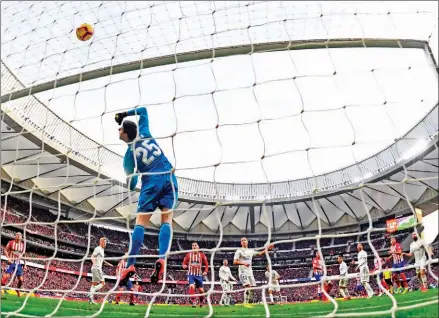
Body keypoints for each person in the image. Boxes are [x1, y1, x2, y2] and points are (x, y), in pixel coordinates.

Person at [115, 106, 178, 285]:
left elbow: (132, 184)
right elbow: (143, 110)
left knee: (141, 222)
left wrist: (131, 180)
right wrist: (124, 115)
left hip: (151, 183)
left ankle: (130, 265)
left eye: (120, 129)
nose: (118, 130)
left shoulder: (129, 156)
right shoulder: (145, 131)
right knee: (167, 220)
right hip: (169, 177)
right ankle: (162, 259)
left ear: (126, 134)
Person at [233, 237, 273, 307]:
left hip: (250, 271)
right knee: (248, 287)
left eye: (244, 240)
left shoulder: (250, 251)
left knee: (253, 287)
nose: (243, 241)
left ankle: (249, 302)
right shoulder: (239, 251)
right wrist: (243, 263)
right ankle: (245, 303)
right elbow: (235, 262)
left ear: (247, 242)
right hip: (243, 271)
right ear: (241, 243)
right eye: (242, 240)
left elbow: (260, 253)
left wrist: (267, 249)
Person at [182, 242, 209, 307]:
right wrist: (184, 266)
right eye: (193, 245)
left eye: (195, 245)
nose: (194, 246)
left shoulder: (202, 255)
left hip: (199, 275)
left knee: (201, 291)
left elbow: (206, 265)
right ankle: (194, 302)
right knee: (192, 286)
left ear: (198, 247)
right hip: (191, 274)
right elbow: (184, 263)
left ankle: (201, 303)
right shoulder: (189, 254)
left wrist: (205, 271)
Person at [89, 237, 114, 304]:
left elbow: (102, 260)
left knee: (94, 284)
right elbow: (92, 256)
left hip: (97, 268)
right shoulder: (97, 249)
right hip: (97, 268)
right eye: (104, 242)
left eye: (106, 243)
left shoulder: (102, 250)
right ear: (101, 242)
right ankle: (91, 293)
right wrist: (94, 263)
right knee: (103, 283)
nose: (105, 244)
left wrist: (109, 264)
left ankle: (91, 299)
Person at [1, 232, 26, 297]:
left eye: (20, 235)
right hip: (11, 262)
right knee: (6, 276)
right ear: (15, 236)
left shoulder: (22, 245)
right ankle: (1, 289)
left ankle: (17, 289)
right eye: (17, 235)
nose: (18, 236)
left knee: (21, 280)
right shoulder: (11, 242)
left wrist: (25, 264)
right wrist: (8, 258)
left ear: (21, 237)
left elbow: (24, 255)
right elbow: (5, 250)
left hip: (18, 263)